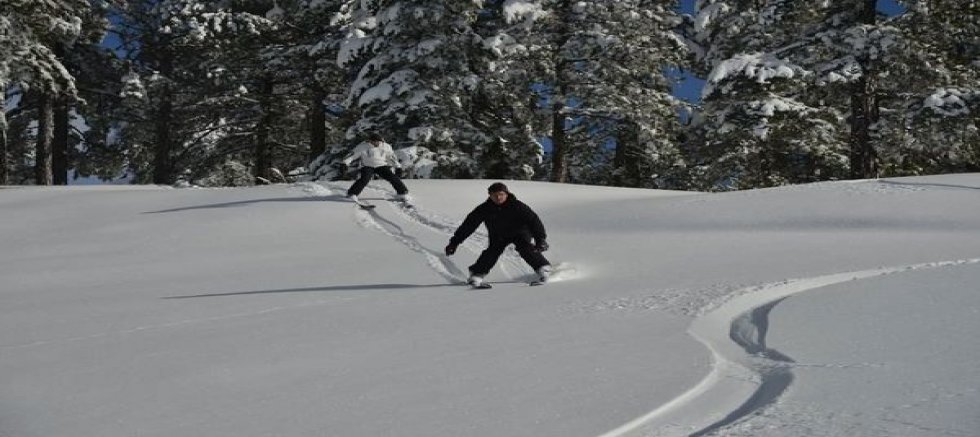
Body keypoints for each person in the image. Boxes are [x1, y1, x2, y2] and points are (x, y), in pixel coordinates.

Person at [444, 182, 552, 286]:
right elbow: (468, 225)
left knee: (525, 247)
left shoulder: (518, 206)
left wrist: (540, 239)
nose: (498, 197)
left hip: (520, 232)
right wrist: (454, 243)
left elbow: (534, 221)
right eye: (494, 195)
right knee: (492, 251)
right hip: (498, 235)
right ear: (490, 195)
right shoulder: (484, 209)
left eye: (501, 194)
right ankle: (476, 275)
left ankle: (544, 269)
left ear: (506, 194)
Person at [342, 133, 409, 201]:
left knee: (392, 177)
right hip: (367, 166)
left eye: (377, 141)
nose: (375, 143)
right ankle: (352, 194)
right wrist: (345, 163)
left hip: (381, 165)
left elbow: (391, 158)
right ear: (370, 141)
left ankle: (402, 193)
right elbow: (352, 155)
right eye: (373, 141)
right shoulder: (362, 147)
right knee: (365, 179)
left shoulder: (386, 146)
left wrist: (398, 166)